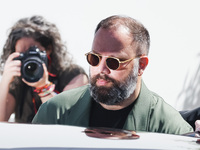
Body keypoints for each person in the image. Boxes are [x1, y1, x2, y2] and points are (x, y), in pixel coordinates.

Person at [32, 15, 193, 134]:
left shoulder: (168, 127)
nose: (101, 69)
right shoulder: (55, 112)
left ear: (141, 66)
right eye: (94, 58)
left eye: (114, 62)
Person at [0, 15, 88, 123]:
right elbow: (1, 120)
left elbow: (64, 120)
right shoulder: (18, 81)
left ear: (49, 49)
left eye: (33, 52)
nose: (29, 59)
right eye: (22, 54)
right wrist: (5, 80)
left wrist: (43, 88)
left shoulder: (74, 76)